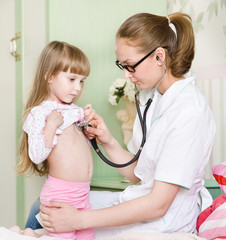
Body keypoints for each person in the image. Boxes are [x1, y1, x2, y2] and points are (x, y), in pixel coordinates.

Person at [30, 12, 215, 238]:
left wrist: (77, 220)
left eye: (130, 66)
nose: (127, 76)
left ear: (159, 57)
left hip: (164, 222)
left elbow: (158, 204)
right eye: (122, 66)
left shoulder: (189, 112)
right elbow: (140, 176)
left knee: (49, 216)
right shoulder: (153, 97)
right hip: (142, 202)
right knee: (42, 209)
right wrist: (107, 140)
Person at [12, 41, 94, 240]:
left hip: (82, 193)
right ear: (49, 76)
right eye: (72, 79)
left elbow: (75, 148)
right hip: (61, 195)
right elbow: (37, 154)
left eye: (81, 81)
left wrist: (88, 132)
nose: (77, 88)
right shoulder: (39, 113)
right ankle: (23, 235)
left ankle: (28, 234)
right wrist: (50, 126)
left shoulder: (74, 109)